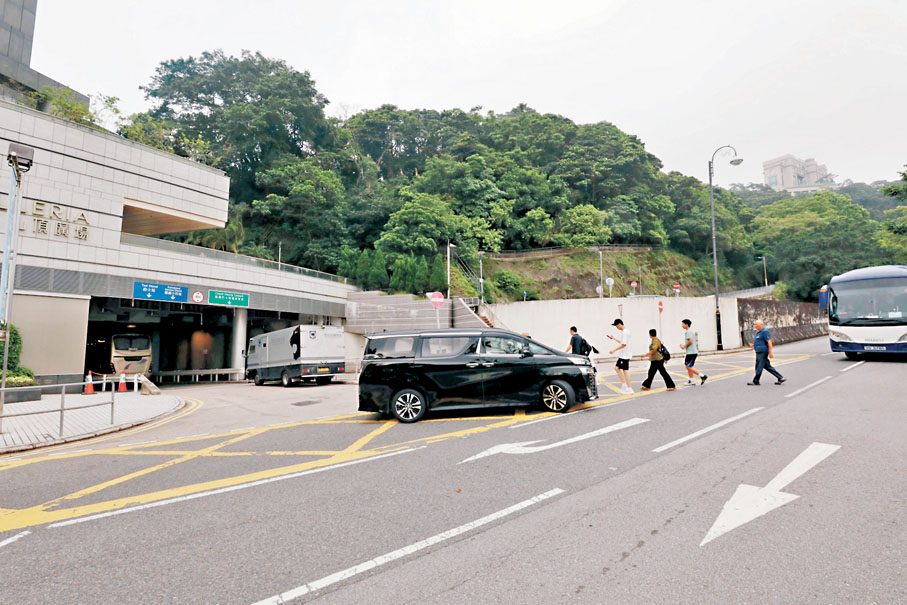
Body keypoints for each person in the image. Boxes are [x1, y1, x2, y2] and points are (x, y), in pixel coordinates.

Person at [748, 319, 786, 386]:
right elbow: (761, 342)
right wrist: (754, 345)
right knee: (767, 366)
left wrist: (770, 352)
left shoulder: (764, 331)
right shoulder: (758, 332)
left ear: (761, 325)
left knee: (759, 366)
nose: (755, 326)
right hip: (759, 351)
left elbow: (769, 341)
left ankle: (756, 380)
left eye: (756, 324)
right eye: (755, 324)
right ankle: (781, 378)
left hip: (762, 352)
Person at [607, 318, 633, 394]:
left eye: (616, 326)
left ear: (619, 324)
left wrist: (614, 350)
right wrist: (614, 338)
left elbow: (624, 344)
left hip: (624, 355)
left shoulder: (625, 332)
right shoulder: (625, 331)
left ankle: (629, 388)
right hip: (624, 355)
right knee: (617, 368)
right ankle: (624, 385)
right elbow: (622, 342)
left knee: (625, 371)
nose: (616, 327)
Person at [679, 319, 707, 386]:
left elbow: (690, 341)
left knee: (688, 367)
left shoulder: (688, 331)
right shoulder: (689, 331)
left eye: (683, 324)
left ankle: (702, 376)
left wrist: (684, 346)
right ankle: (692, 381)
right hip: (690, 352)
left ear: (686, 324)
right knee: (688, 366)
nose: (682, 325)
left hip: (692, 352)